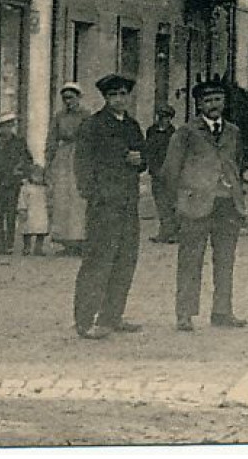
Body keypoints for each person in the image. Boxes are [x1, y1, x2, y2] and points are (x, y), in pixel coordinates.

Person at [164, 77, 248, 331]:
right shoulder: (186, 132)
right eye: (208, 100)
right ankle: (185, 314)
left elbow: (238, 162)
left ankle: (223, 311)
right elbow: (170, 170)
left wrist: (235, 190)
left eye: (218, 99)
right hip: (196, 204)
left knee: (225, 261)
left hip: (227, 204)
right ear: (199, 104)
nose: (213, 105)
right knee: (190, 259)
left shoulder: (233, 131)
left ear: (224, 102)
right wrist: (177, 203)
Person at [72, 73, 145, 339]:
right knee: (97, 261)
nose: (119, 100)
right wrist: (93, 194)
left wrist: (140, 160)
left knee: (125, 260)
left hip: (127, 202)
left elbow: (143, 156)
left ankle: (112, 316)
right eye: (114, 95)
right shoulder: (93, 125)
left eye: (123, 94)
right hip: (104, 204)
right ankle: (84, 321)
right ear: (106, 98)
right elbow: (82, 163)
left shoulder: (133, 126)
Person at [44, 81, 89, 254]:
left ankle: (81, 240)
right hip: (63, 159)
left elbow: (92, 137)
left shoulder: (86, 116)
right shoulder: (59, 117)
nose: (68, 102)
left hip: (81, 156)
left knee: (78, 199)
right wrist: (49, 160)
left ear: (79, 98)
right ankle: (66, 242)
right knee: (62, 198)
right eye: (65, 99)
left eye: (71, 98)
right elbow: (52, 139)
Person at [0, 112, 33, 255]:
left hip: (13, 183)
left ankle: (10, 244)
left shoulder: (19, 142)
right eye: (1, 126)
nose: (4, 129)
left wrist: (21, 170)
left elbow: (28, 160)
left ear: (12, 126)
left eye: (8, 125)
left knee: (11, 214)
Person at [144, 105, 178, 243]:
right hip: (155, 171)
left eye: (167, 117)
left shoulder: (174, 134)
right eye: (161, 117)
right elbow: (148, 149)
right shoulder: (151, 131)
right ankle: (164, 232)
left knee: (172, 202)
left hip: (169, 172)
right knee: (160, 203)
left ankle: (175, 233)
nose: (164, 120)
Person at [18, 164, 50, 256]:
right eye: (36, 175)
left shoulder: (44, 188)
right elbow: (22, 199)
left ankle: (38, 248)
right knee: (27, 230)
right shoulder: (26, 188)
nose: (38, 178)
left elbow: (48, 198)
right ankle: (26, 247)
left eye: (40, 176)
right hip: (30, 212)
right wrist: (22, 209)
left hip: (41, 212)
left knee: (42, 231)